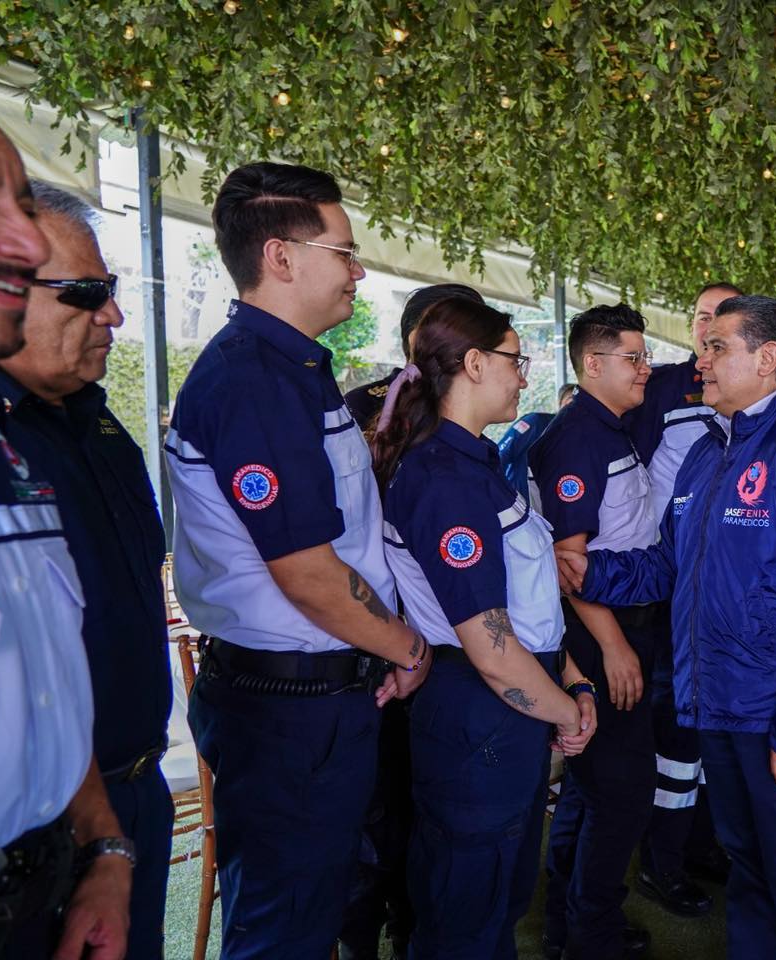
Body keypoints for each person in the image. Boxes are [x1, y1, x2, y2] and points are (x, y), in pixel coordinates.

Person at [164, 161, 430, 959]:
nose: (358, 271)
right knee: (283, 928)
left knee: (314, 910)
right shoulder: (254, 380)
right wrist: (408, 648)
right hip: (286, 704)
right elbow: (308, 573)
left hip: (317, 695)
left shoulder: (295, 369)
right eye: (344, 251)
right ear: (280, 256)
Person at [560, 295, 776, 960]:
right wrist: (585, 573)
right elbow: (669, 566)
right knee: (748, 866)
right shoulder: (708, 452)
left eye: (718, 347)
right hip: (717, 700)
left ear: (767, 359)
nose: (700, 358)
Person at [367, 295, 599, 956]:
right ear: (472, 363)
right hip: (479, 712)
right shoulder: (445, 479)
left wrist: (569, 686)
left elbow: (529, 611)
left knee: (494, 904)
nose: (523, 376)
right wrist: (566, 711)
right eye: (513, 360)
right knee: (463, 920)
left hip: (501, 713)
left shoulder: (471, 464)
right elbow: (492, 649)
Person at [0, 181, 172, 959]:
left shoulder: (95, 420)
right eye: (88, 294)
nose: (115, 318)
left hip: (130, 792)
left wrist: (112, 842)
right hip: (33, 828)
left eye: (115, 292)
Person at [0, 104, 134, 960]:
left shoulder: (13, 438)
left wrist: (106, 849)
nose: (25, 241)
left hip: (64, 859)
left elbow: (42, 677)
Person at [340, 281, 487, 960]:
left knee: (432, 807)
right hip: (378, 638)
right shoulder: (364, 404)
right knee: (377, 812)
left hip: (446, 636)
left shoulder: (468, 411)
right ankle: (372, 929)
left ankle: (417, 926)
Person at [531, 303, 660, 960]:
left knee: (590, 793)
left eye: (643, 356)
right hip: (603, 637)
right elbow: (567, 562)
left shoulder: (614, 427)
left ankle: (573, 928)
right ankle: (592, 937)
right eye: (633, 358)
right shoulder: (579, 435)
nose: (646, 369)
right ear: (593, 363)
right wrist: (612, 647)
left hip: (624, 628)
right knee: (620, 795)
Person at [622, 282, 744, 918]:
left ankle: (701, 845)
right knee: (674, 728)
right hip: (669, 590)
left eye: (724, 319)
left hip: (729, 593)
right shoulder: (664, 386)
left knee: (711, 729)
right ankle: (660, 862)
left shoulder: (758, 394)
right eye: (702, 317)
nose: (709, 329)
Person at [343, 282, 485, 429]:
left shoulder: (477, 407)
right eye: (439, 332)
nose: (450, 343)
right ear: (412, 337)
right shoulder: (361, 404)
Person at [497, 382, 576, 501]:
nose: (575, 407)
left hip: (545, 512)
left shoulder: (579, 439)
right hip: (517, 505)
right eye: (571, 400)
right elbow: (500, 456)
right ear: (560, 403)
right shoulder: (535, 422)